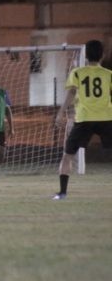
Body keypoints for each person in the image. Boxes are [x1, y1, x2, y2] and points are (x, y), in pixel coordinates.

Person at [53, 39, 112, 200]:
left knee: (67, 155)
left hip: (84, 118)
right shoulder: (108, 74)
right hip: (106, 118)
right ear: (102, 55)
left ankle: (62, 193)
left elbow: (72, 93)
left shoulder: (77, 73)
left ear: (85, 56)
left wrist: (60, 113)